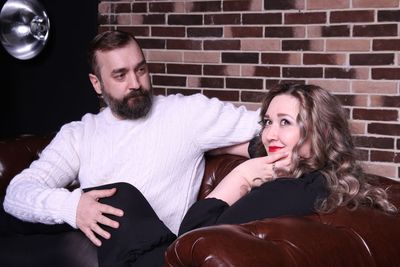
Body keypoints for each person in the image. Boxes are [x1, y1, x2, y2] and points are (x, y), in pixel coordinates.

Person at [1, 30, 261, 267]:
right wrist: (74, 207)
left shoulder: (186, 113)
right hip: (87, 246)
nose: (135, 83)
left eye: (141, 70)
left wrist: (252, 147)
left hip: (151, 251)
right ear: (96, 83)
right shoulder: (79, 133)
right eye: (120, 75)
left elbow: (265, 124)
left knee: (120, 197)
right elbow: (18, 193)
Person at [178, 83, 397, 235]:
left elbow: (191, 238)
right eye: (267, 122)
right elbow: (259, 145)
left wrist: (242, 175)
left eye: (285, 122)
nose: (270, 134)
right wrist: (220, 148)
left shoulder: (285, 191)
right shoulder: (329, 179)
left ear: (323, 133)